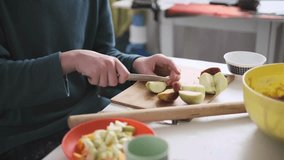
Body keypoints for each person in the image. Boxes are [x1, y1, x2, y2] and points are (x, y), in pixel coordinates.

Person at [0, 0, 180, 159]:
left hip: (93, 115)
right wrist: (70, 61)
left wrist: (136, 64)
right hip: (27, 136)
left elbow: (103, 53)